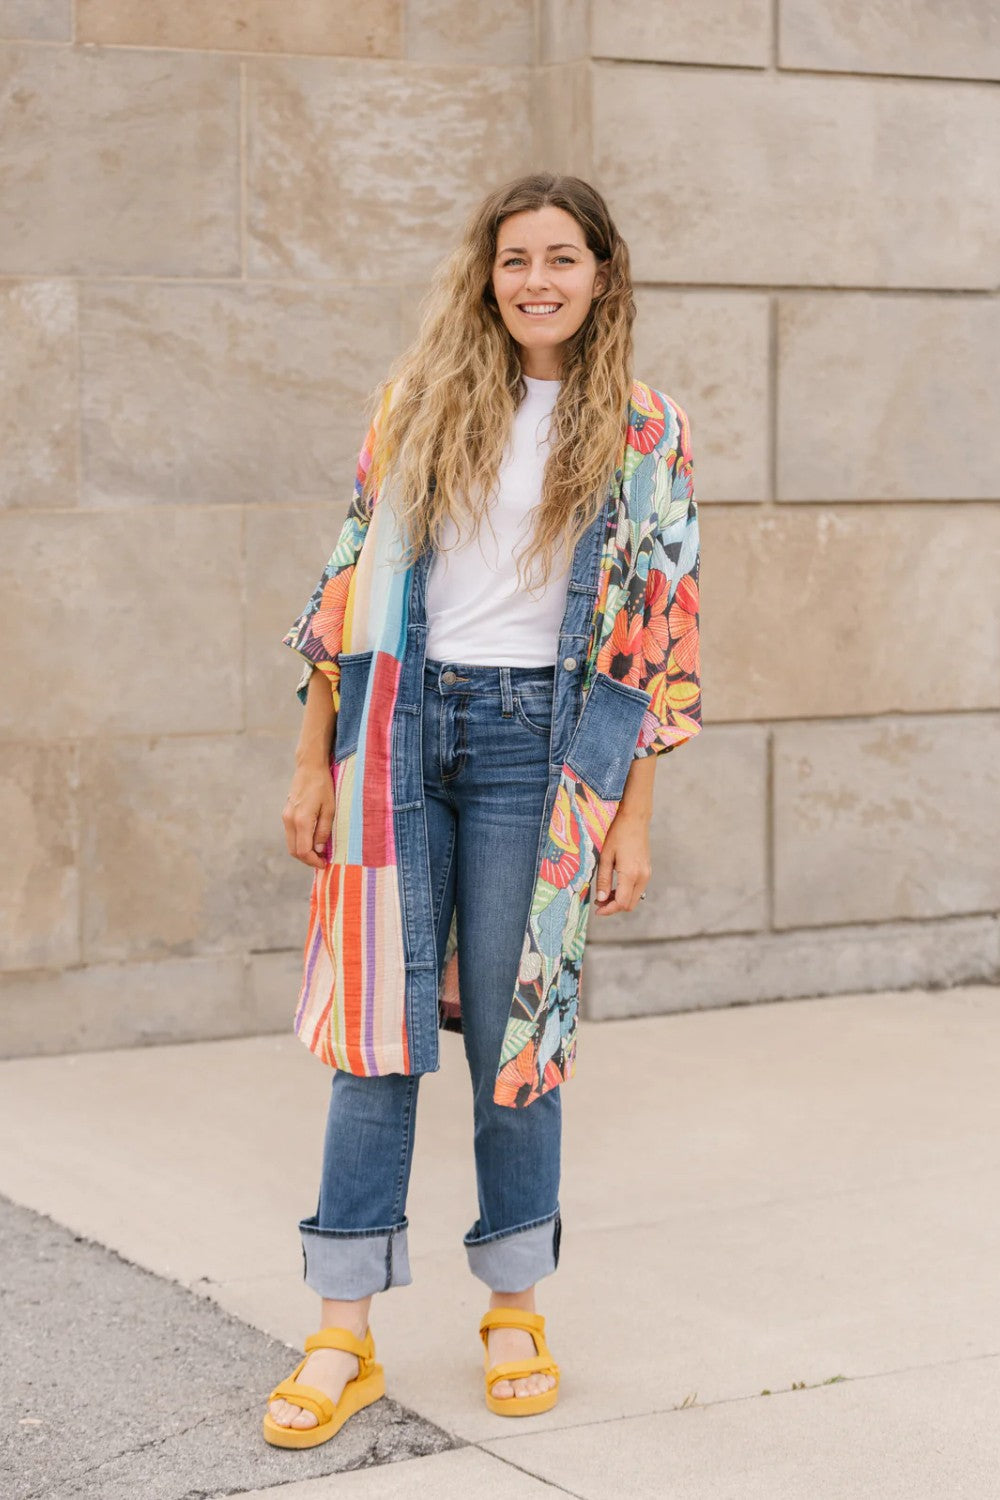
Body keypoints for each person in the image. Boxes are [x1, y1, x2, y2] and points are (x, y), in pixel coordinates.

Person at [263, 172, 702, 1447]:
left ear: (602, 275)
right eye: (515, 259)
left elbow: (659, 628)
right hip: (397, 725)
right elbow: (349, 573)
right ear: (488, 273)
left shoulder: (644, 429)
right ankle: (340, 1328)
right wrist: (311, 756)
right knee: (376, 1032)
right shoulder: (419, 402)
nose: (536, 281)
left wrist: (631, 812)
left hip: (538, 748)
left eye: (561, 259)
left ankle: (514, 1305)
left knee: (520, 1034)